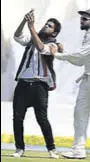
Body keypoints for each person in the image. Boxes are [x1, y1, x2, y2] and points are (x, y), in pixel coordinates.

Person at [50, 9, 90, 161]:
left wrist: (57, 55)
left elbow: (79, 55)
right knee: (79, 114)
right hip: (87, 79)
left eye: (85, 18)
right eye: (81, 18)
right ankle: (78, 150)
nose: (81, 20)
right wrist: (63, 54)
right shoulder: (88, 36)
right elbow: (80, 61)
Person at [12, 9, 61, 158]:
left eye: (49, 26)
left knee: (42, 119)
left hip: (40, 86)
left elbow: (42, 49)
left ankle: (51, 149)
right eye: (46, 24)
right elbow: (17, 36)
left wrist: (31, 27)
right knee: (18, 117)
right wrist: (24, 21)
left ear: (54, 33)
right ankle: (19, 149)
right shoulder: (32, 39)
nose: (45, 26)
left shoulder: (54, 45)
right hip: (23, 84)